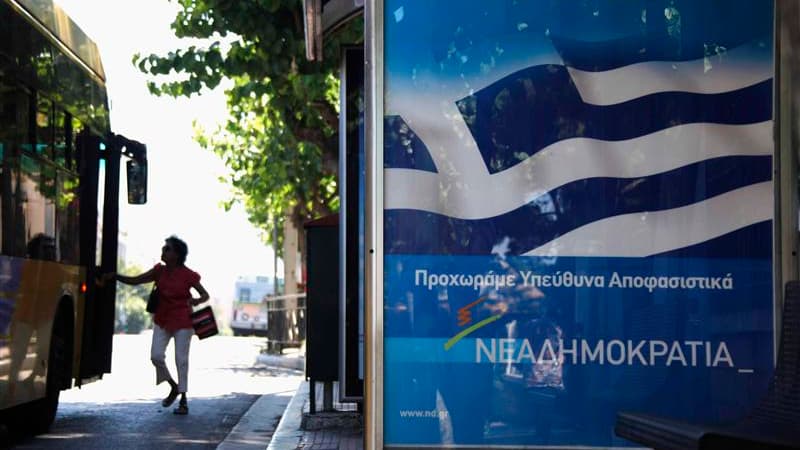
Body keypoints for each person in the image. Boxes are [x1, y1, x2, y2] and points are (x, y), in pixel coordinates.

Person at [107, 235, 209, 415]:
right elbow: (136, 280)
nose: (163, 251)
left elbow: (205, 295)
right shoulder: (159, 271)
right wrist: (115, 276)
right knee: (156, 356)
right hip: (162, 319)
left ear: (176, 255)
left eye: (167, 249)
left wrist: (194, 301)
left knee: (181, 360)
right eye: (164, 248)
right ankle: (173, 386)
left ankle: (183, 400)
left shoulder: (188, 275)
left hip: (183, 321)